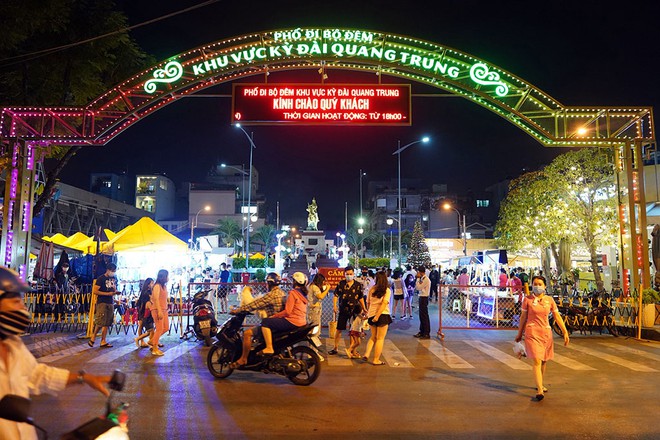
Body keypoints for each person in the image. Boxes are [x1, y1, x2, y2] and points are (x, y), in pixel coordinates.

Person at [0, 267, 111, 440]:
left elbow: (37, 375)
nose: (23, 308)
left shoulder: (13, 344)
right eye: (15, 301)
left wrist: (83, 378)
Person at [515, 275, 569, 401]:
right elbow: (523, 318)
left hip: (546, 333)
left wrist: (565, 332)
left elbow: (557, 316)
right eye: (535, 284)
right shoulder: (527, 300)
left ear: (545, 286)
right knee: (537, 360)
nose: (537, 286)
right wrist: (519, 333)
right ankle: (539, 390)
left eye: (540, 284)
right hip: (532, 333)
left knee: (544, 360)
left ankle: (540, 383)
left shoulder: (549, 300)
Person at [229, 273, 286, 368]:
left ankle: (243, 359)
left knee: (247, 333)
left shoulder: (271, 295)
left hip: (271, 324)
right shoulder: (282, 292)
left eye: (267, 283)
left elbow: (254, 304)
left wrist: (237, 310)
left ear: (269, 283)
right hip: (279, 322)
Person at [260, 272, 309, 355]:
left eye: (293, 280)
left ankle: (269, 347)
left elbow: (287, 311)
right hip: (302, 321)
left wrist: (274, 316)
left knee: (265, 322)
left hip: (292, 321)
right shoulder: (303, 294)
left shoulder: (293, 293)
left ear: (295, 281)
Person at [329, 266, 366, 355]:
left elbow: (360, 298)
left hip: (354, 311)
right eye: (347, 274)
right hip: (343, 310)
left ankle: (352, 349)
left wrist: (364, 308)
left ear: (353, 274)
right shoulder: (341, 284)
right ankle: (335, 348)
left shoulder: (358, 285)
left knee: (353, 331)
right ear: (344, 274)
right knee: (339, 329)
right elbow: (335, 295)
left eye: (350, 274)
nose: (349, 276)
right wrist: (334, 306)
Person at [362, 272, 392, 365]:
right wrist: (377, 316)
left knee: (373, 337)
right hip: (383, 315)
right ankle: (376, 360)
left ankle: (367, 354)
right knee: (380, 339)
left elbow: (368, 303)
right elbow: (384, 304)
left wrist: (369, 314)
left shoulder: (372, 289)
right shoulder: (387, 290)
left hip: (371, 314)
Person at [88, 263, 119, 348]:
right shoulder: (101, 279)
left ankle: (103, 340)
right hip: (102, 302)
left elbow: (113, 289)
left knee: (107, 322)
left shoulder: (113, 279)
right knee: (101, 321)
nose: (113, 273)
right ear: (108, 270)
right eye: (112, 271)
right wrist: (107, 294)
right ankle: (93, 337)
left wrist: (115, 292)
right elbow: (95, 291)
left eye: (114, 271)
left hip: (110, 302)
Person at [149, 269, 169, 356]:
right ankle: (155, 348)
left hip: (164, 309)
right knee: (159, 328)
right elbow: (156, 299)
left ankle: (152, 341)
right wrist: (159, 311)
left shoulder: (164, 286)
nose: (168, 278)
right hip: (157, 309)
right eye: (167, 276)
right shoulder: (157, 286)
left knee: (166, 328)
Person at [134, 278, 154, 348]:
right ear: (148, 284)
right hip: (143, 312)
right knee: (142, 326)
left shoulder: (146, 292)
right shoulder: (147, 293)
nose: (153, 284)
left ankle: (148, 341)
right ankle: (142, 340)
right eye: (152, 283)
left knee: (145, 328)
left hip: (144, 311)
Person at [414, 267, 431, 339]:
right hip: (421, 297)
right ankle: (422, 331)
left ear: (420, 272)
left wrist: (417, 279)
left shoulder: (426, 279)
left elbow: (418, 287)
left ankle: (426, 333)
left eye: (418, 272)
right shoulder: (423, 278)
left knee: (424, 316)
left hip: (424, 298)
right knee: (421, 316)